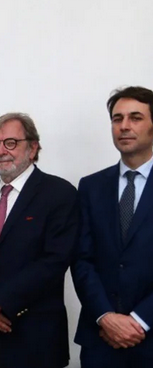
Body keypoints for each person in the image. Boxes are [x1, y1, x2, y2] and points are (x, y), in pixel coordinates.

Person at [0, 112, 78, 368]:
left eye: (10, 143)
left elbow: (54, 261)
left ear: (33, 148)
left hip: (32, 337)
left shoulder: (59, 194)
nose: (0, 151)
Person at [73, 86, 153, 367]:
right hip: (101, 339)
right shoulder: (91, 186)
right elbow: (81, 259)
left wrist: (140, 320)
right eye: (117, 119)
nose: (124, 126)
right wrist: (105, 316)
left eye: (135, 117)